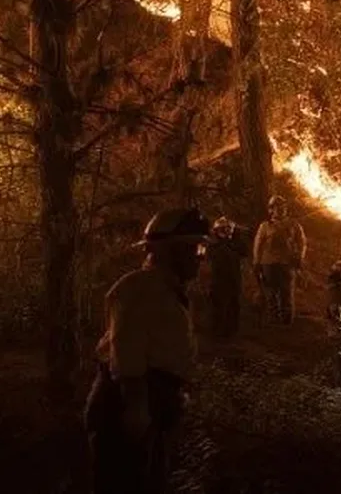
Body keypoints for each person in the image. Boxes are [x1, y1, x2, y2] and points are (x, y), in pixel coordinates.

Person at [84, 208, 209, 494]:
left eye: (201, 249)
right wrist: (137, 408)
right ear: (167, 251)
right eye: (195, 248)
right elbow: (127, 351)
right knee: (126, 482)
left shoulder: (166, 290)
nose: (200, 257)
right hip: (127, 403)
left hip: (152, 400)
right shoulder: (138, 289)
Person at [253, 195, 307, 325]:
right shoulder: (265, 226)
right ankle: (273, 320)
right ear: (271, 210)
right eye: (277, 207)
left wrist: (299, 258)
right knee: (271, 293)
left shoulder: (294, 225)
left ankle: (286, 321)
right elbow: (258, 245)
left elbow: (302, 243)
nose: (280, 209)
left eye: (282, 206)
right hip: (268, 264)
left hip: (286, 264)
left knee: (286, 293)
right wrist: (257, 262)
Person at [207, 216, 248, 338]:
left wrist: (236, 235)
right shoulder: (213, 244)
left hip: (234, 279)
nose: (226, 231)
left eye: (228, 229)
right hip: (218, 281)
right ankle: (217, 332)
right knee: (219, 307)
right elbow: (210, 257)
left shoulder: (234, 244)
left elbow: (244, 251)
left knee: (233, 306)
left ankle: (231, 332)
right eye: (223, 229)